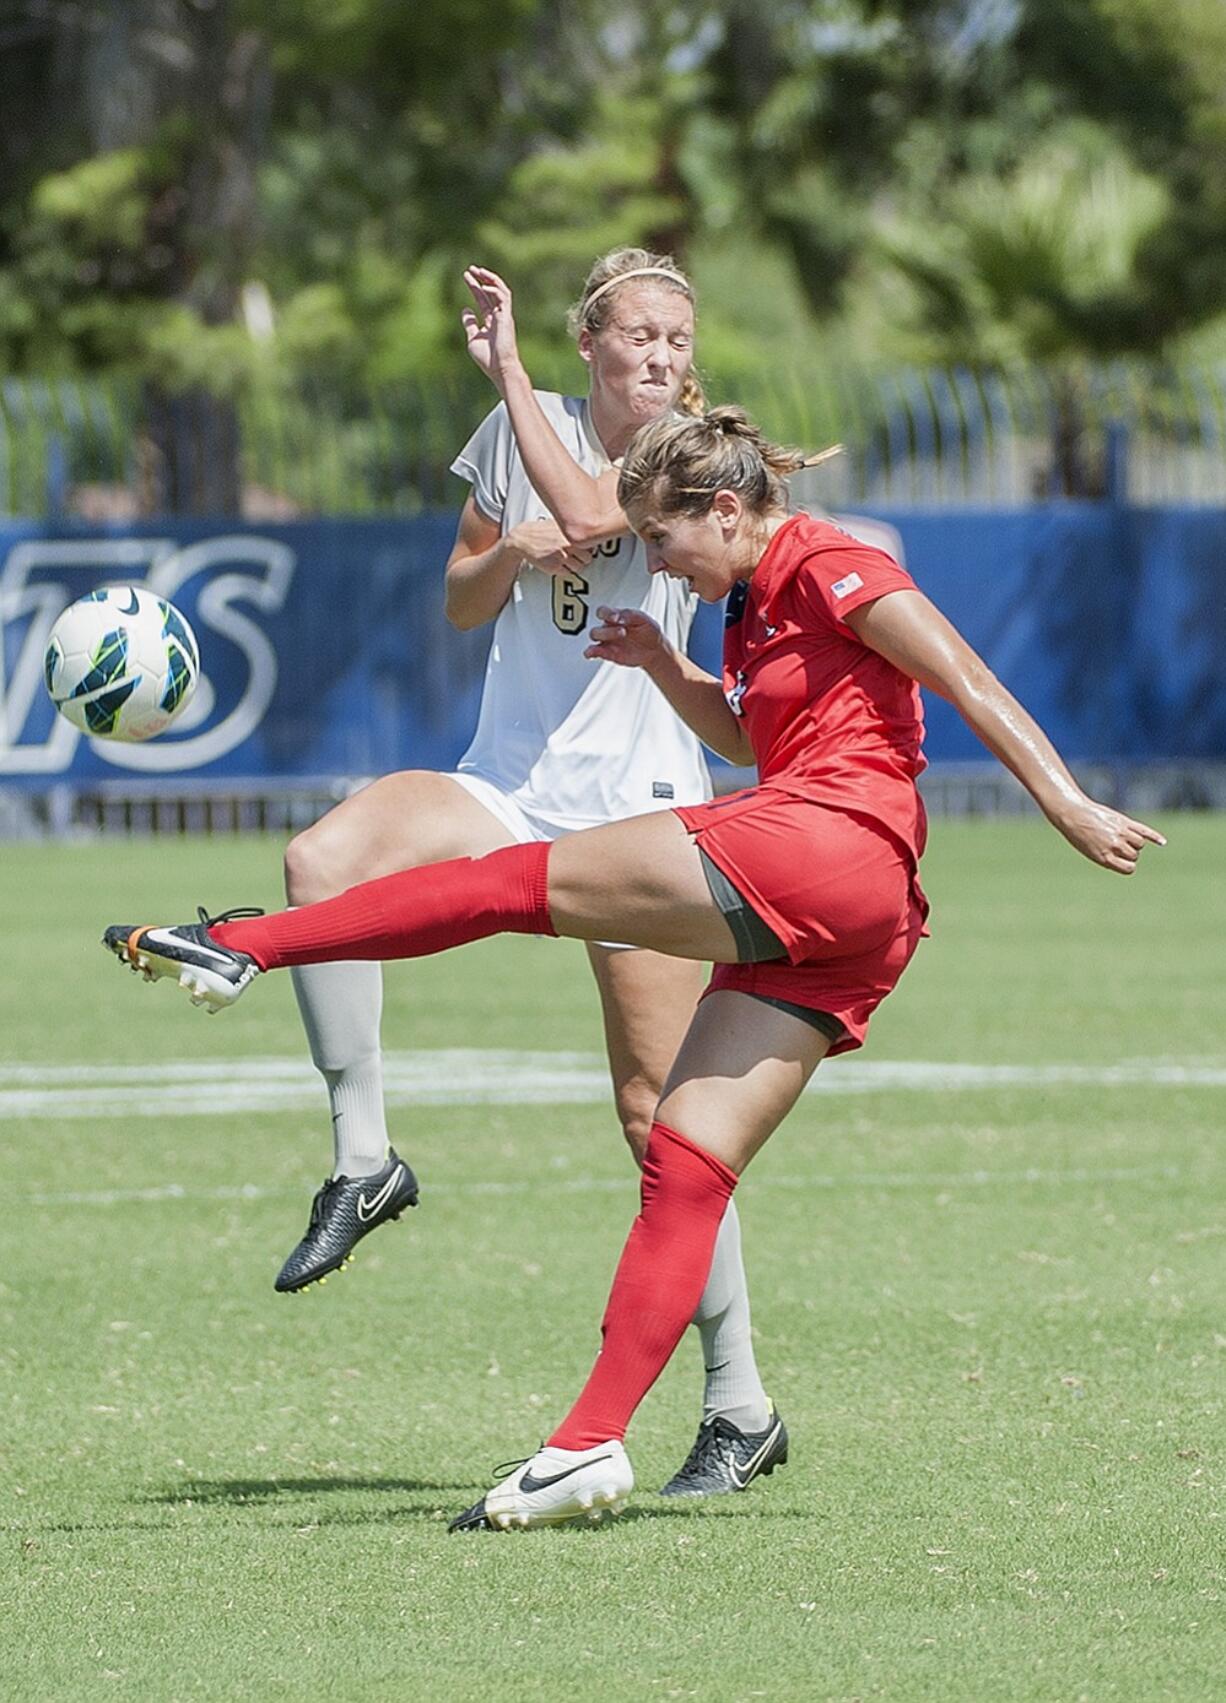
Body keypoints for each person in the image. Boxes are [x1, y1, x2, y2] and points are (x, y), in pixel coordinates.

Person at [105, 405, 1165, 1532]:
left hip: (824, 846)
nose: (652, 562)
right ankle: (585, 1443)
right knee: (684, 1161)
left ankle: (244, 942)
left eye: (662, 541)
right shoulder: (747, 602)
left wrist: (1065, 803)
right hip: (859, 920)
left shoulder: (825, 560)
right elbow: (754, 743)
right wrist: (663, 661)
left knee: (510, 881)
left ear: (723, 509)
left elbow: (963, 676)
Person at [189, 249, 785, 1496]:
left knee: (658, 1120)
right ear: (592, 343)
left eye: (679, 337)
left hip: (647, 813)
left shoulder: (686, 455)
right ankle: (365, 1159)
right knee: (324, 858)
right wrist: (504, 550)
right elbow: (465, 600)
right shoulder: (518, 431)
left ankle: (737, 1399)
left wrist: (511, 378)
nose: (663, 357)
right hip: (505, 788)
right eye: (639, 335)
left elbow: (591, 516)